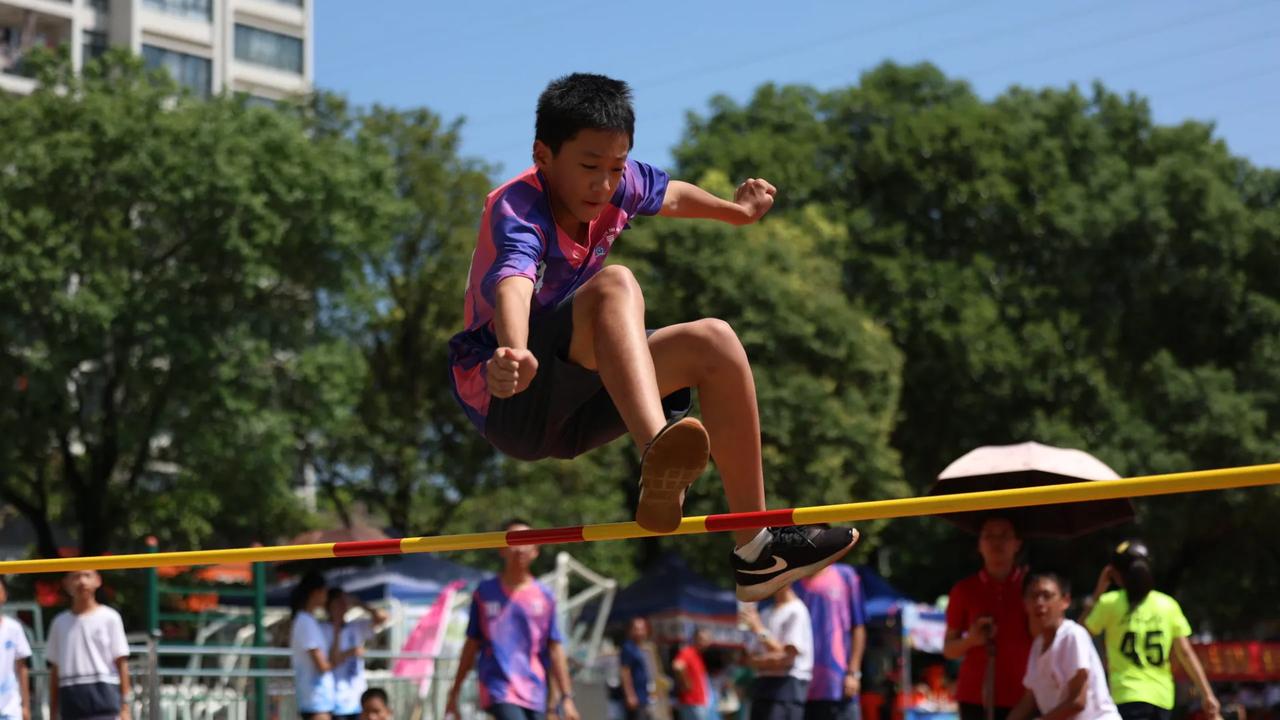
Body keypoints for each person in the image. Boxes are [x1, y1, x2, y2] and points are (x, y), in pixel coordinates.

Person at [445, 72, 856, 601]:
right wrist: (515, 349)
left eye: (616, 168)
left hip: (578, 404)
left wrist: (737, 213)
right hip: (511, 396)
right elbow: (514, 281)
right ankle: (656, 447)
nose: (604, 184)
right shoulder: (518, 207)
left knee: (715, 341)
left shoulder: (619, 183)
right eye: (590, 167)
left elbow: (675, 195)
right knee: (615, 282)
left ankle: (756, 547)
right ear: (543, 156)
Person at [445, 519, 578, 720]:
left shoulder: (545, 596)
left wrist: (566, 698)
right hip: (498, 687)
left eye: (527, 541)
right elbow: (471, 644)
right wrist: (454, 691)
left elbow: (555, 649)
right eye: (514, 541)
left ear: (536, 550)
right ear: (502, 549)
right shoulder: (484, 593)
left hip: (535, 690)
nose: (520, 548)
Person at [1082, 540, 1222, 720]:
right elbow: (1185, 653)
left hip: (1126, 696)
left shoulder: (1110, 603)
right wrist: (1207, 694)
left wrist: (1097, 593)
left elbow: (1077, 637)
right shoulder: (1167, 605)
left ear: (1115, 574)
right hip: (1162, 699)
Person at [942, 516, 1032, 720]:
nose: (996, 542)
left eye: (1004, 535)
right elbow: (949, 650)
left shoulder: (1034, 589)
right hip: (976, 696)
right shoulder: (964, 590)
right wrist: (971, 640)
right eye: (989, 535)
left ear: (1017, 543)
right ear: (979, 544)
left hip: (1026, 695)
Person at [1008, 572, 1120, 720]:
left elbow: (1078, 701)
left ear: (1065, 601)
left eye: (1047, 596)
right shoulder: (1038, 645)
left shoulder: (1073, 635)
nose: (1039, 603)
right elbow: (1029, 699)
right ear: (1025, 604)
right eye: (1033, 596)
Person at [45, 570, 130, 720]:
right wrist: (53, 712)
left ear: (98, 580)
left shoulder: (110, 618)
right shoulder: (59, 622)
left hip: (105, 700)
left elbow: (121, 663)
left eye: (87, 575)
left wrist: (125, 707)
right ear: (66, 583)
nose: (82, 581)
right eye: (76, 577)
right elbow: (55, 670)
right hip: (71, 702)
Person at [793, 563, 867, 720]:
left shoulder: (846, 575)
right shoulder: (792, 580)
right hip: (802, 685)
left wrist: (853, 673)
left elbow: (858, 627)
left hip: (839, 685)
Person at [740, 583, 814, 720]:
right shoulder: (766, 613)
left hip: (787, 688)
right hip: (762, 686)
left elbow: (786, 660)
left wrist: (759, 630)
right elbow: (749, 658)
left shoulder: (796, 610)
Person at [326, 589, 389, 720]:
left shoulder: (355, 626)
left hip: (358, 701)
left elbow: (383, 617)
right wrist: (350, 652)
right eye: (338, 603)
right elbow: (331, 661)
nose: (342, 606)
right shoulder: (323, 629)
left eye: (343, 602)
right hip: (335, 701)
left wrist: (359, 603)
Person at [290, 571, 335, 720]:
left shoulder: (307, 620)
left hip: (317, 699)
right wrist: (347, 654)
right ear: (316, 592)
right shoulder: (305, 621)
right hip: (316, 700)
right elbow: (322, 665)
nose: (327, 596)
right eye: (325, 591)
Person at [0, 576, 32, 720]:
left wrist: (25, 706)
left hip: (10, 708)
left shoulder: (13, 628)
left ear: (5, 594)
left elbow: (22, 668)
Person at [618, 617, 656, 720]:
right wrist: (630, 695)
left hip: (644, 697)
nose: (640, 632)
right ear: (630, 631)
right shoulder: (628, 648)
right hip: (635, 698)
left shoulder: (640, 648)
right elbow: (625, 672)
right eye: (636, 629)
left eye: (642, 629)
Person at [672, 629, 714, 720]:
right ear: (695, 639)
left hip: (698, 703)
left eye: (707, 640)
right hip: (692, 703)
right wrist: (686, 683)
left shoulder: (698, 656)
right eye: (701, 639)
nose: (704, 643)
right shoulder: (688, 652)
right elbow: (677, 666)